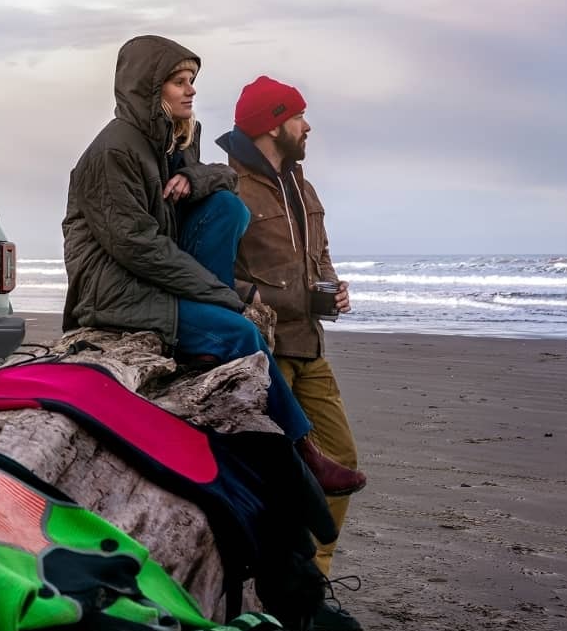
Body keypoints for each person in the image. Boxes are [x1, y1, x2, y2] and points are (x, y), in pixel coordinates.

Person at [60, 35, 363, 496]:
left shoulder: (171, 139)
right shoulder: (112, 153)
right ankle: (304, 452)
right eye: (179, 82)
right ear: (148, 88)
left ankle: (211, 332)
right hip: (118, 290)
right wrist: (229, 297)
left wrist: (191, 174)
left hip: (156, 279)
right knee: (242, 331)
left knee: (226, 206)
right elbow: (137, 248)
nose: (191, 90)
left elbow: (224, 178)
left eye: (192, 80)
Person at [216, 76, 369, 631]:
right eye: (300, 117)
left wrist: (333, 288)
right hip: (264, 354)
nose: (308, 127)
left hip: (310, 348)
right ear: (271, 123)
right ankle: (274, 592)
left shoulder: (301, 187)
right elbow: (215, 275)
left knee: (340, 460)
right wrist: (276, 299)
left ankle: (311, 588)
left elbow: (319, 259)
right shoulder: (229, 188)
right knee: (274, 479)